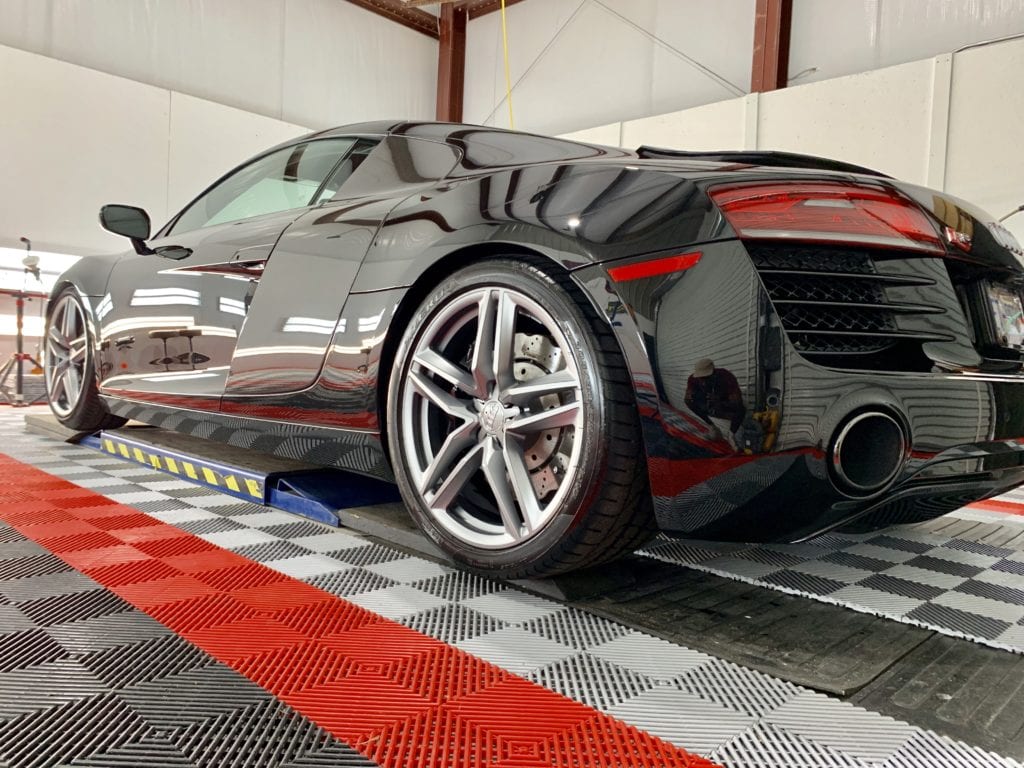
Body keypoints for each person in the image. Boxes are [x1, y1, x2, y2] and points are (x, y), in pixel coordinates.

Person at [684, 359, 746, 449]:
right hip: (707, 405)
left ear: (713, 373)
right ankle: (712, 428)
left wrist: (720, 402)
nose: (704, 381)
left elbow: (737, 402)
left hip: (723, 405)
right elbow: (688, 398)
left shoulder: (726, 376)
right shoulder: (693, 380)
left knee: (741, 410)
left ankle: (731, 435)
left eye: (706, 377)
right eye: (701, 378)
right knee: (688, 401)